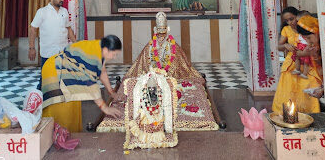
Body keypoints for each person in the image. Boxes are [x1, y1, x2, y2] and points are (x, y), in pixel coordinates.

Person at [42, 35, 122, 132]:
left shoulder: (99, 48)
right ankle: (56, 136)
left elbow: (102, 71)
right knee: (61, 107)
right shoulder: (93, 56)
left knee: (73, 103)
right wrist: (105, 108)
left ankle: (71, 134)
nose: (114, 57)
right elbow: (91, 86)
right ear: (106, 49)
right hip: (55, 71)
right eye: (114, 54)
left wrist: (111, 92)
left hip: (67, 69)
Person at [272, 7, 323, 114]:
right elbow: (279, 46)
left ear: (298, 16)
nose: (290, 22)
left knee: (306, 87)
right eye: (287, 20)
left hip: (308, 63)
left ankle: (309, 112)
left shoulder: (309, 28)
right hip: (293, 62)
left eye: (292, 19)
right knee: (290, 89)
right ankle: (289, 112)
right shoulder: (286, 30)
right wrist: (285, 45)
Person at [29, 0, 76, 90]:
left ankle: (59, 101)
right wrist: (32, 48)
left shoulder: (64, 11)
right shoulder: (42, 12)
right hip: (48, 53)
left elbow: (69, 29)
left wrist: (76, 44)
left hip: (62, 53)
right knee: (45, 81)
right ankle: (39, 99)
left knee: (62, 80)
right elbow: (33, 29)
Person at [296, 15, 324, 99]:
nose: (308, 42)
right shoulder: (316, 48)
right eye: (305, 39)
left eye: (309, 37)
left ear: (316, 32)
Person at [291, 11, 312, 79]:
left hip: (305, 48)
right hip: (300, 46)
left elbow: (309, 43)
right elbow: (297, 40)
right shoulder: (300, 31)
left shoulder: (308, 33)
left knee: (306, 62)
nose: (298, 24)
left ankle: (305, 73)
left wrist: (305, 50)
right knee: (296, 57)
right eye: (297, 22)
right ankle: (297, 69)